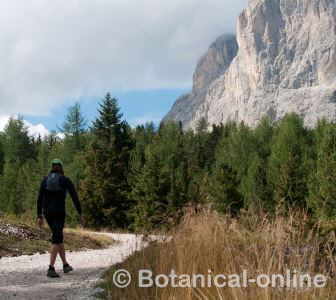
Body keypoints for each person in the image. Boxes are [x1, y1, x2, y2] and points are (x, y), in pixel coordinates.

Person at [37, 159, 82, 278]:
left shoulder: (45, 180)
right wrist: (80, 213)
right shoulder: (65, 180)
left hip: (47, 213)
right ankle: (51, 268)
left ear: (51, 167)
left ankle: (65, 265)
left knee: (58, 237)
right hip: (59, 212)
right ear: (61, 167)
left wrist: (39, 216)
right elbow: (74, 197)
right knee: (56, 238)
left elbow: (39, 198)